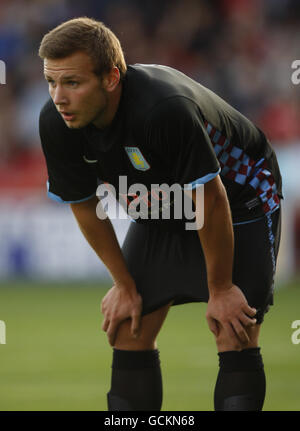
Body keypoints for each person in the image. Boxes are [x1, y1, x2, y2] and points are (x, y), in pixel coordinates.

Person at [38, 17, 282, 411]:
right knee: (125, 326)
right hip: (165, 201)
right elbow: (84, 204)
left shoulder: (164, 108)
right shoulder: (56, 122)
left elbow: (210, 198)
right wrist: (123, 284)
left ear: (111, 78)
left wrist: (219, 289)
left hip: (237, 196)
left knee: (232, 327)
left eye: (72, 83)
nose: (58, 97)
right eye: (51, 82)